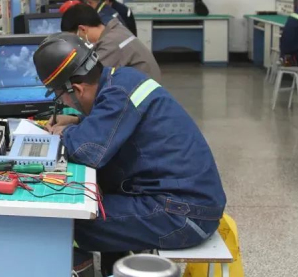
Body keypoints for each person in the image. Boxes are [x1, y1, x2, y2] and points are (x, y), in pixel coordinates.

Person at [33, 33, 225, 275]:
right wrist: (78, 120)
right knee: (97, 198)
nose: (65, 105)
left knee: (66, 224)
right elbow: (111, 123)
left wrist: (64, 131)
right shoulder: (121, 80)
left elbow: (88, 151)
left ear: (77, 89)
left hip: (182, 216)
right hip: (187, 203)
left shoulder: (119, 95)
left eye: (61, 98)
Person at [61, 3, 161, 82]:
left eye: (75, 37)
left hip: (144, 96)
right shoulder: (115, 30)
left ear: (82, 29)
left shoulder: (112, 43)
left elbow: (88, 76)